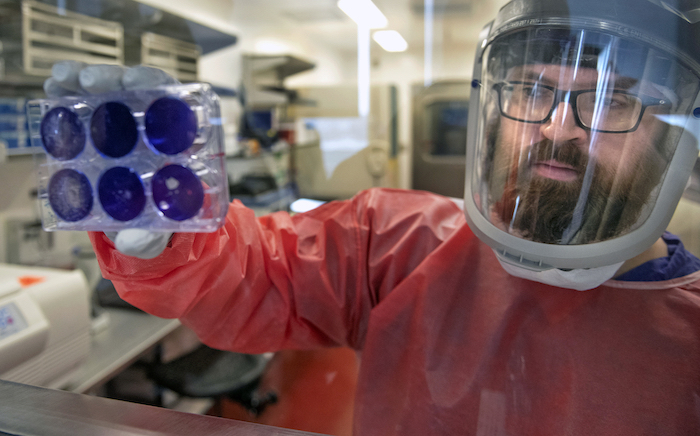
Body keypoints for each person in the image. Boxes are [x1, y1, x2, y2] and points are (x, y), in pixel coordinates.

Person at [46, 0, 700, 434]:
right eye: (533, 90)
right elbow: (261, 271)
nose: (559, 127)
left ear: (678, 131)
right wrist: (171, 228)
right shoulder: (407, 245)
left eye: (615, 99)